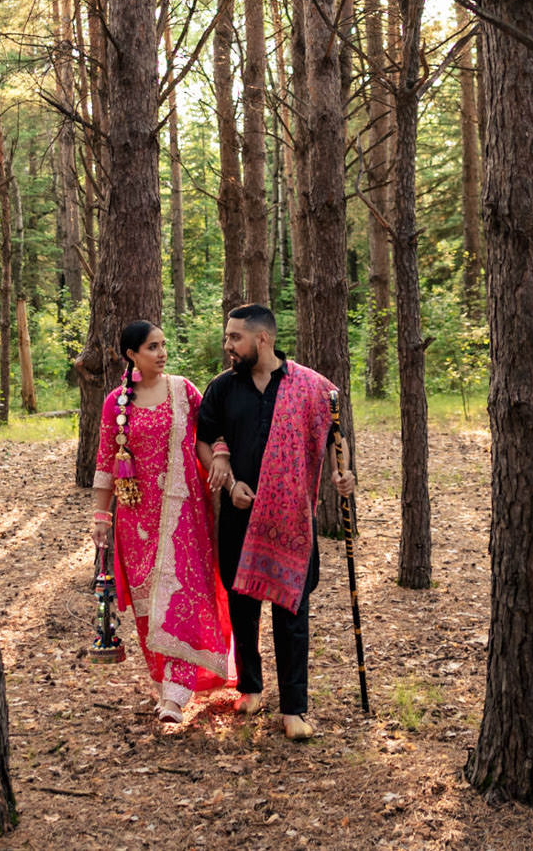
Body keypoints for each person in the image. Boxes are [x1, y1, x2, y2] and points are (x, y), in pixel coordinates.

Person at [196, 303, 354, 741]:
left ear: (261, 339)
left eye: (235, 338)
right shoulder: (223, 388)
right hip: (240, 514)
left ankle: (294, 709)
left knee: (292, 612)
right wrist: (228, 484)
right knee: (242, 606)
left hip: (291, 523)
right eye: (228, 338)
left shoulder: (312, 388)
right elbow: (204, 440)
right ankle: (250, 687)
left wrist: (344, 477)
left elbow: (335, 442)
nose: (228, 345)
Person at [90, 320, 237, 724]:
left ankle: (176, 693)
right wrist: (101, 516)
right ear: (131, 355)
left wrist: (221, 463)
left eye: (163, 345)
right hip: (136, 519)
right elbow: (106, 461)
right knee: (148, 603)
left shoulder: (182, 390)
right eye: (152, 347)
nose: (161, 352)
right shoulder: (115, 403)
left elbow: (208, 433)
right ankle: (164, 682)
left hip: (184, 513)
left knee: (184, 595)